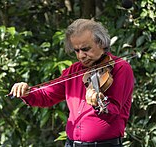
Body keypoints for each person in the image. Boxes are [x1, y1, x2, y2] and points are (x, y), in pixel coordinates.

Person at [9, 19, 134, 147]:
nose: (81, 56)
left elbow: (114, 108)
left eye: (85, 49)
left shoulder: (120, 68)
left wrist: (99, 101)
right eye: (76, 50)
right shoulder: (73, 71)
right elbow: (47, 96)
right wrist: (26, 91)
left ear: (101, 43)